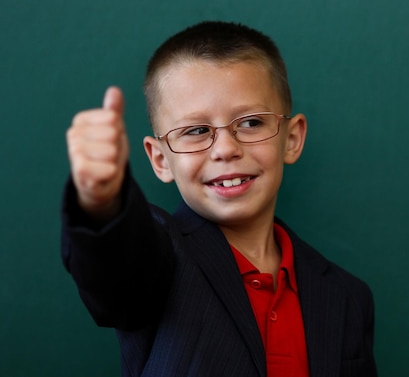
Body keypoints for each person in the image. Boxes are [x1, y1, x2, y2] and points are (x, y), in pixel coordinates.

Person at [61, 21, 377, 377]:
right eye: (196, 131)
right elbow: (116, 265)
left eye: (252, 122)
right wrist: (101, 201)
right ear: (161, 160)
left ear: (291, 139)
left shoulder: (347, 296)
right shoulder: (160, 258)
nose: (226, 149)